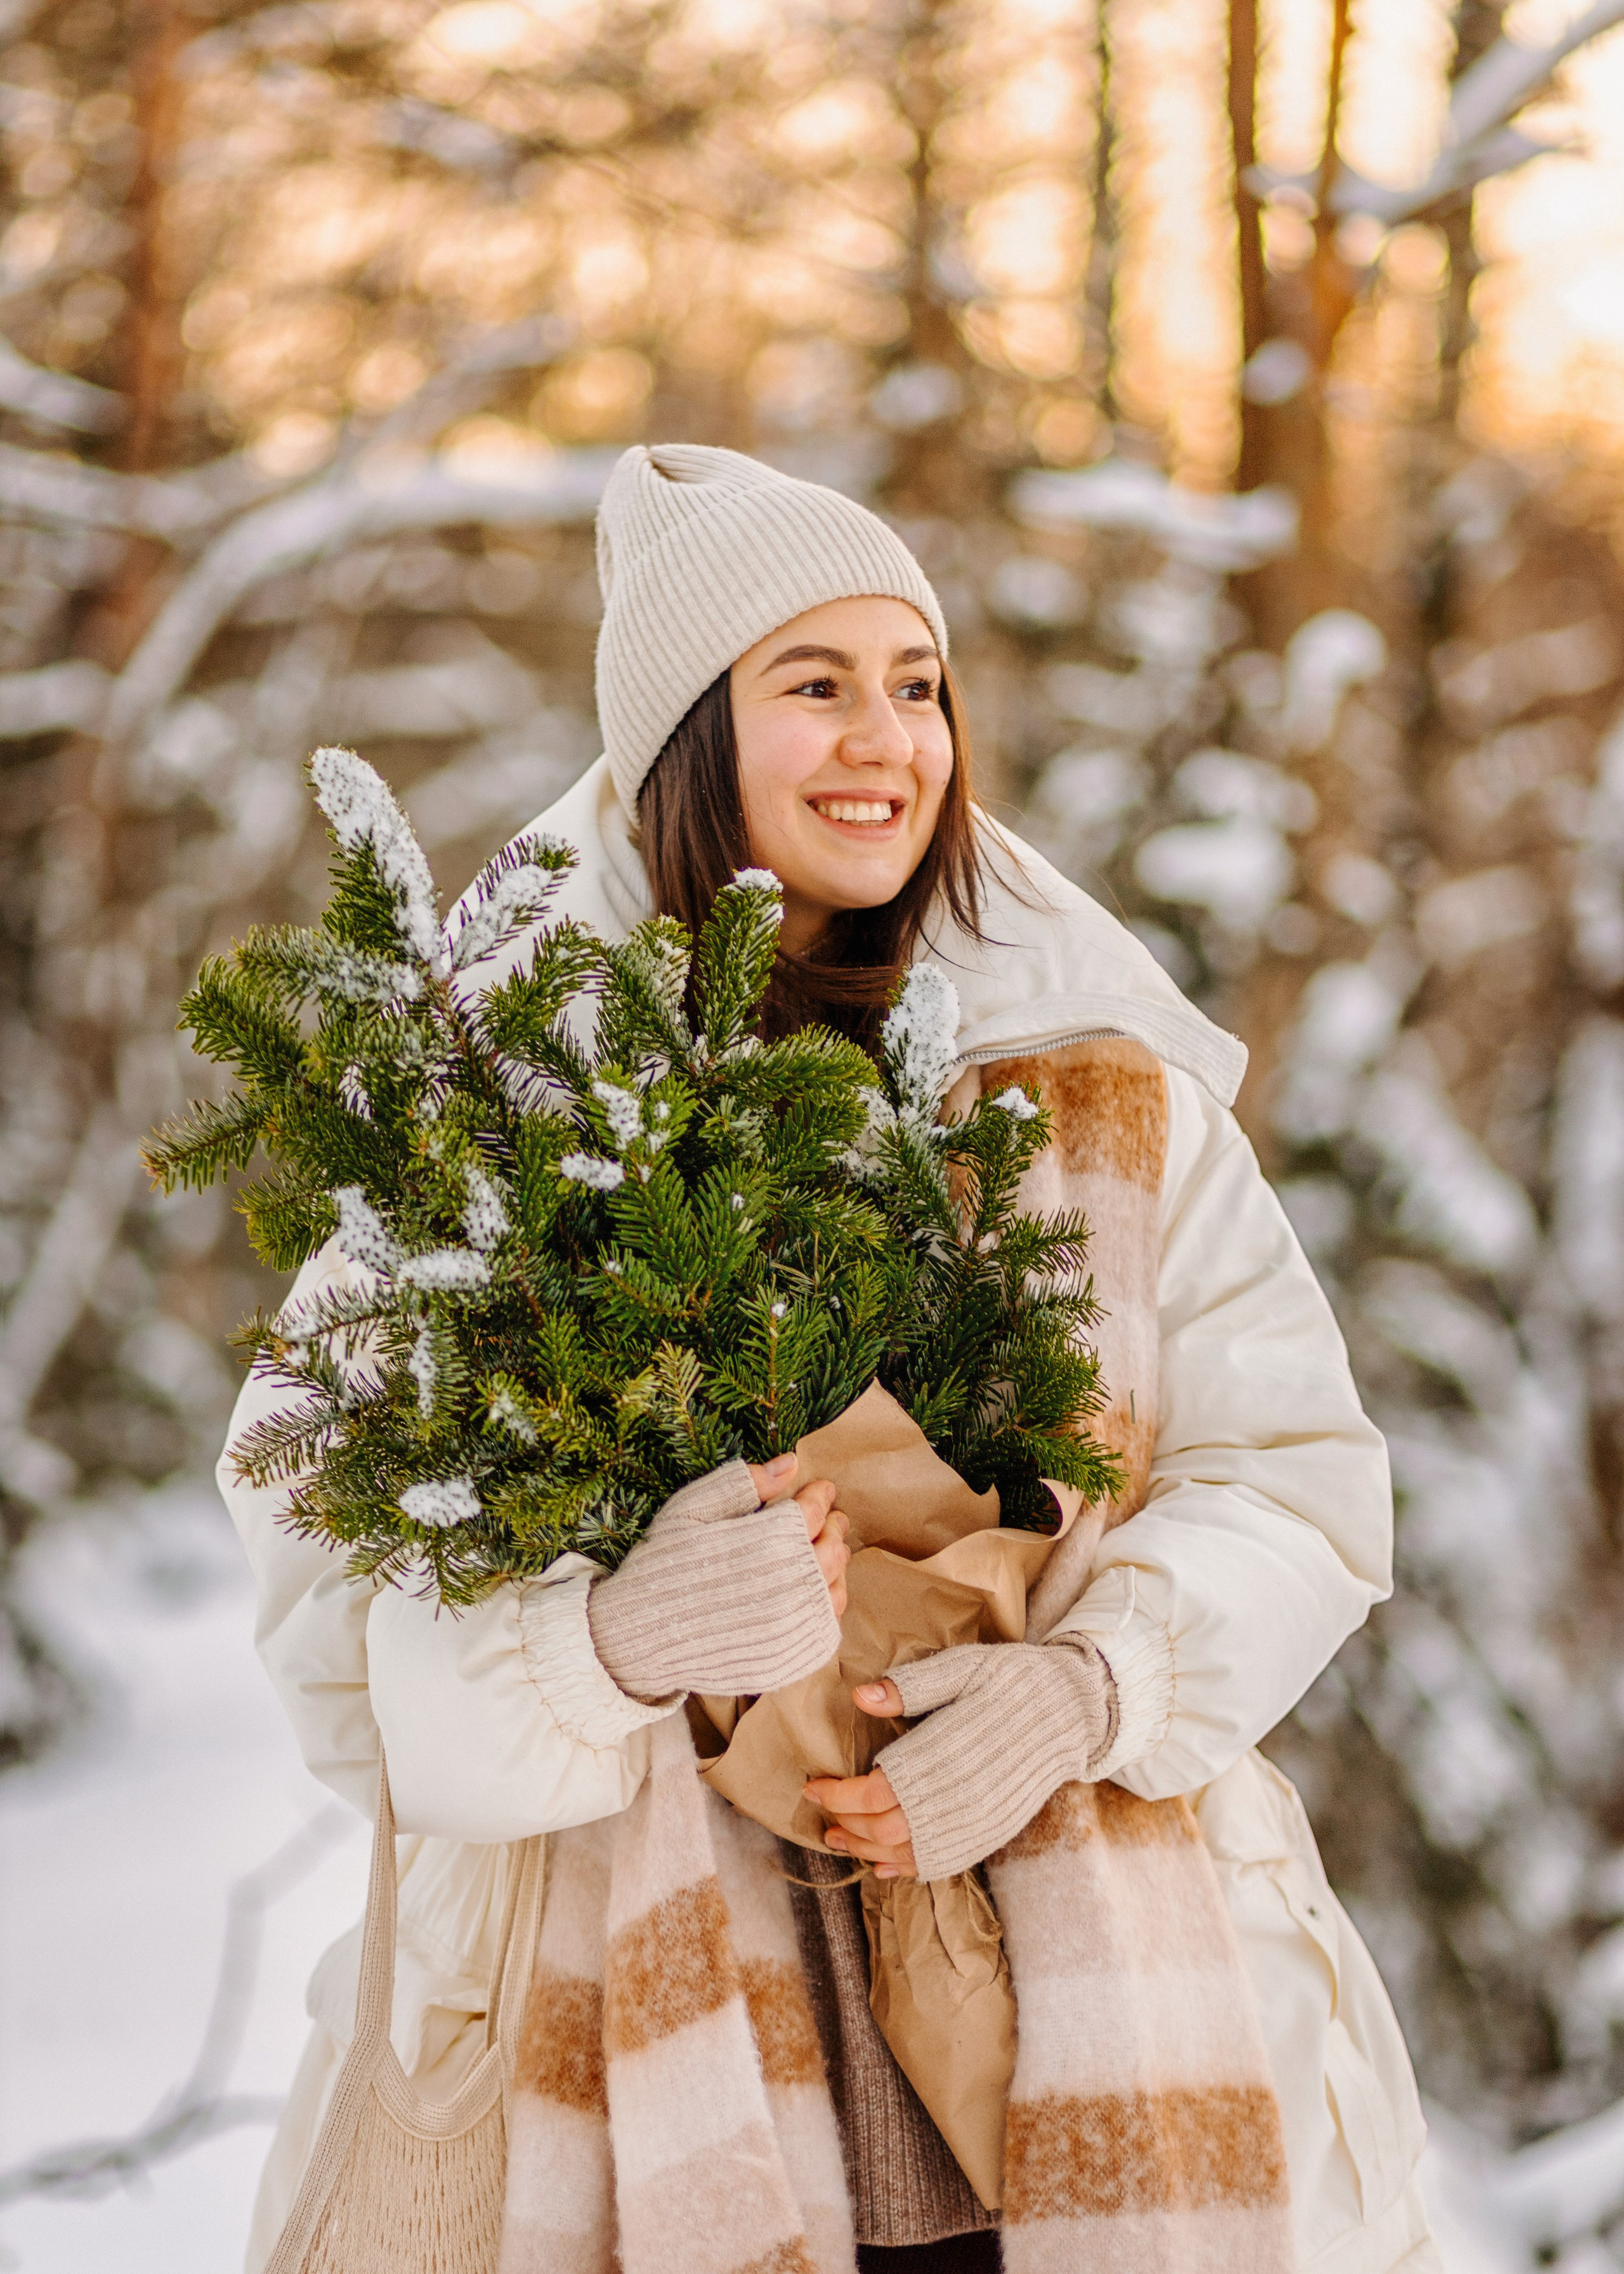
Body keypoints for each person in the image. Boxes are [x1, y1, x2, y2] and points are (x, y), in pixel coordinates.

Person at [222, 444, 1441, 2274]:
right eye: (814, 685)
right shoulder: (493, 1132)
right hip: (637, 2073)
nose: (889, 739)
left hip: (1091, 2040)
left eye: (920, 685)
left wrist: (1085, 1693)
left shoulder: (1088, 1086)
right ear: (685, 740)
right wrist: (607, 1645)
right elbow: (334, 1625)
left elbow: (1300, 1482)